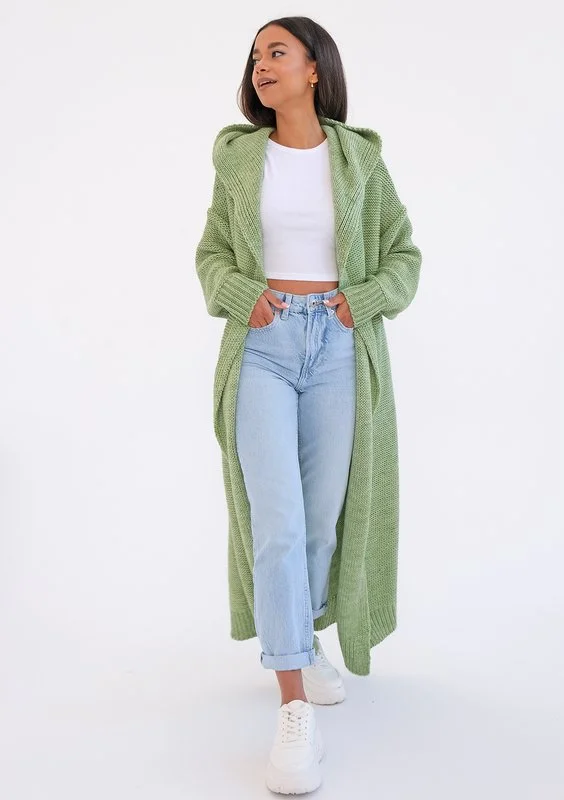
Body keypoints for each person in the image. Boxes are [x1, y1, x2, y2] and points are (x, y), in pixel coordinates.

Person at [195, 15, 422, 795]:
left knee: (323, 521)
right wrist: (241, 295)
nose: (262, 65)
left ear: (315, 68)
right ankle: (293, 704)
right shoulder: (239, 159)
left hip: (337, 347)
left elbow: (404, 254)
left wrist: (365, 299)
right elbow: (211, 254)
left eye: (277, 52)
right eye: (256, 55)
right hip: (262, 346)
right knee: (279, 522)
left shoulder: (359, 158)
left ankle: (302, 635)